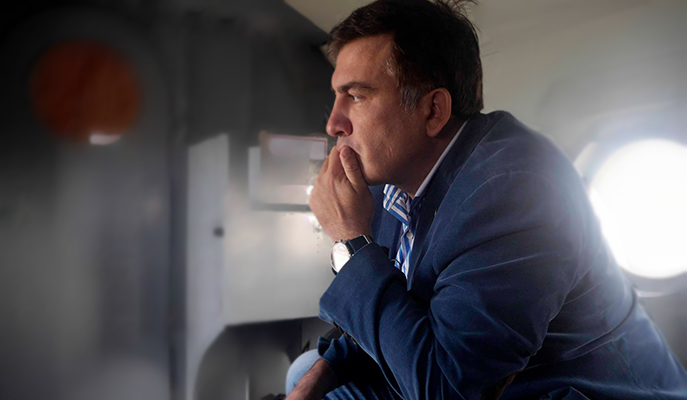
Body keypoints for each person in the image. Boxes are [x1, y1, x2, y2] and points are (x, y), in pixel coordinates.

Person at [287, 0, 687, 399]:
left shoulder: (513, 193)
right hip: (443, 370)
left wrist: (351, 241)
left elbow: (448, 390)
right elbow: (393, 301)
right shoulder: (390, 184)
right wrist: (316, 378)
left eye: (357, 96)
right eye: (337, 96)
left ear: (433, 111)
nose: (333, 123)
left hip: (562, 389)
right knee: (304, 371)